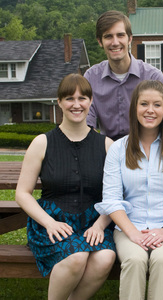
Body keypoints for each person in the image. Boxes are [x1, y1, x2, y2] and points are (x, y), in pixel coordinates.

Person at [15, 74, 116, 300]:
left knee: (105, 257)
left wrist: (100, 225)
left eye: (83, 98)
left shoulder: (107, 145)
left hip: (94, 223)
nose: (76, 104)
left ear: (91, 102)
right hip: (53, 222)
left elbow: (116, 195)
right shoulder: (42, 142)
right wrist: (49, 222)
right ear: (59, 102)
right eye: (69, 98)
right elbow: (22, 193)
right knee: (76, 256)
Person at [95, 80, 163, 300]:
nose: (150, 110)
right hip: (129, 227)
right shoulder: (118, 149)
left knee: (161, 259)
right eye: (144, 104)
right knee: (135, 259)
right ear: (135, 108)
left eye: (157, 105)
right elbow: (111, 199)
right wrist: (132, 233)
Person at [84, 10, 163, 141]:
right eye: (108, 36)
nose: (115, 42)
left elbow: (160, 125)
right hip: (105, 149)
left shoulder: (153, 76)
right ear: (100, 41)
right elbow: (87, 124)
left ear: (130, 38)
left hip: (145, 148)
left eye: (120, 35)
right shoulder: (90, 77)